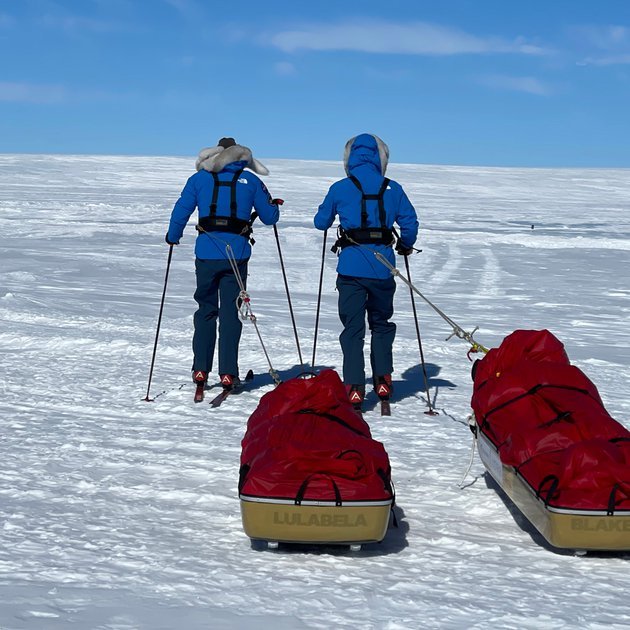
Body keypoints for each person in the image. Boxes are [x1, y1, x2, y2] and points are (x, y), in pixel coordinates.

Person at [166, 137, 281, 394]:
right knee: (231, 313)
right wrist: (274, 206)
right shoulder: (251, 180)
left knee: (205, 310)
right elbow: (269, 217)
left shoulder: (198, 179)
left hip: (206, 253)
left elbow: (181, 209)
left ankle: (200, 370)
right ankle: (228, 372)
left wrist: (173, 236)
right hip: (236, 255)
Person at [314, 133, 419, 410]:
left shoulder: (340, 187)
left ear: (349, 158)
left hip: (350, 270)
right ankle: (383, 380)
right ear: (379, 158)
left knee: (352, 329)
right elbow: (410, 224)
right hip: (383, 269)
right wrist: (405, 245)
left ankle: (354, 388)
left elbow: (320, 222)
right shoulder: (393, 188)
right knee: (381, 325)